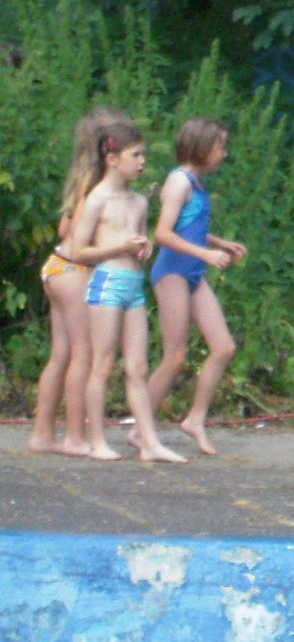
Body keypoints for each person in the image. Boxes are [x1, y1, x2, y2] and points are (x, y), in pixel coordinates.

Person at [67, 122, 181, 463]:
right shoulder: (96, 199)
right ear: (112, 159)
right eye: (135, 155)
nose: (142, 161)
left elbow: (140, 240)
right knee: (102, 364)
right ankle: (97, 440)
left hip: (133, 285)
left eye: (143, 154)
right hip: (107, 282)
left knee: (138, 366)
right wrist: (120, 246)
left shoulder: (138, 201)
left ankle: (149, 442)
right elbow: (78, 251)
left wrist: (143, 248)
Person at [29, 107, 130, 457]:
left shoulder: (81, 182)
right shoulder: (101, 189)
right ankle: (75, 436)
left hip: (56, 266)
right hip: (75, 272)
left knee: (61, 354)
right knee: (83, 354)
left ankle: (42, 435)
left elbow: (63, 230)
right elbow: (84, 240)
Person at [143, 117, 246, 457]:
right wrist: (206, 254)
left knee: (224, 347)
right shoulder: (178, 181)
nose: (224, 153)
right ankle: (141, 429)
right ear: (201, 147)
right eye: (220, 146)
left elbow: (191, 225)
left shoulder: (197, 183)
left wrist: (220, 243)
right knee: (175, 357)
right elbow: (163, 234)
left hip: (192, 272)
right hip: (172, 272)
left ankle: (195, 418)